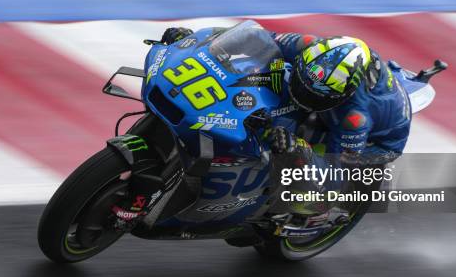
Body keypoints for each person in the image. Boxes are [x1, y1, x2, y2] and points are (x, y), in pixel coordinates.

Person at [112, 24, 412, 225]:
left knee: (301, 175)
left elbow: (340, 167)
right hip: (329, 104)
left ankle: (305, 217)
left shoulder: (354, 118)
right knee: (259, 80)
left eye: (314, 94)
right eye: (304, 83)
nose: (303, 92)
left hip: (376, 144)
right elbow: (255, 39)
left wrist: (300, 149)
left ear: (342, 95)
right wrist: (194, 41)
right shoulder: (309, 47)